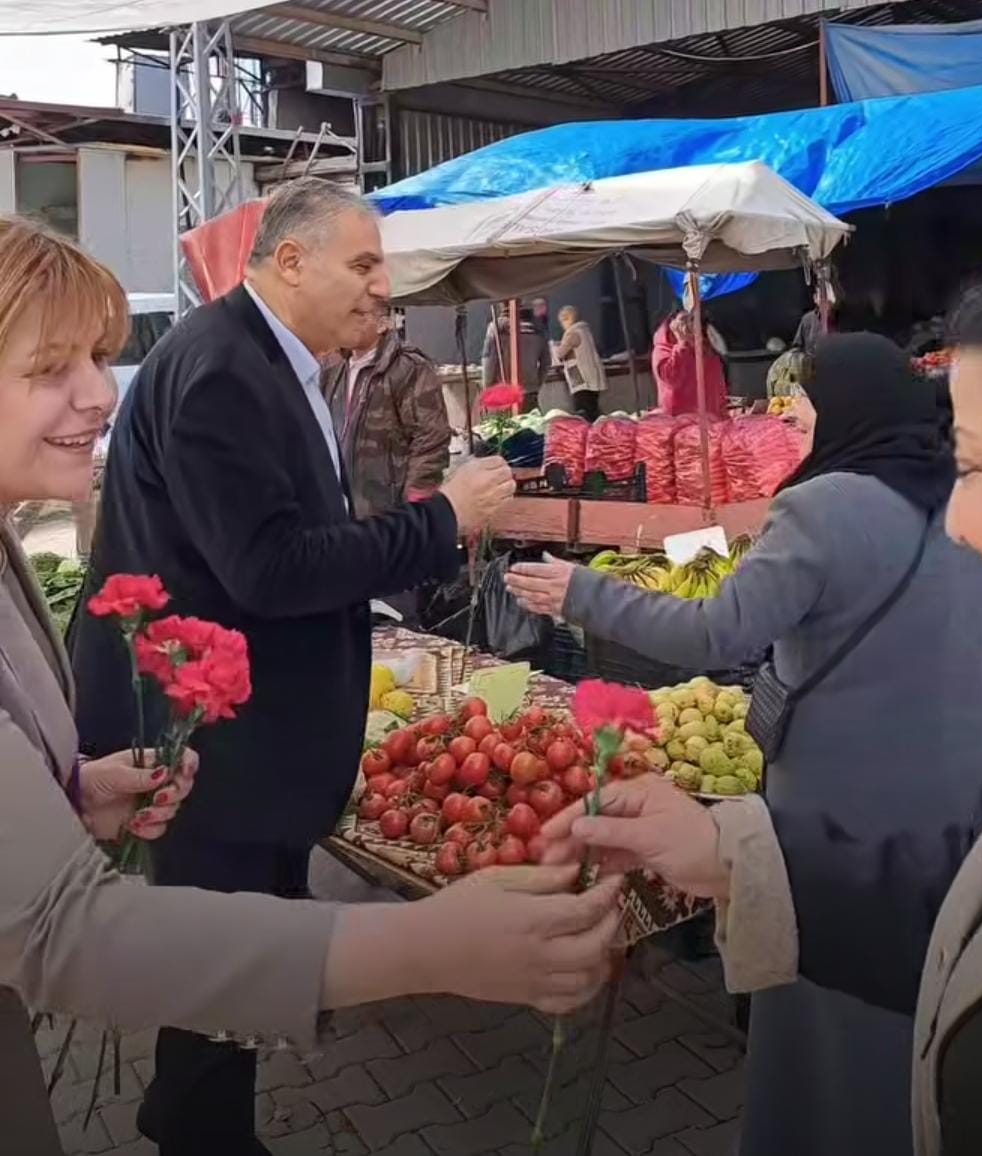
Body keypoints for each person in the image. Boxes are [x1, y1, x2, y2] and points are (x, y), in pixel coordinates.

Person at [0, 214, 622, 1155]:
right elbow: (271, 567)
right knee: (211, 958)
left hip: (235, 742)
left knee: (228, 948)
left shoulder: (263, 362)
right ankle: (199, 1126)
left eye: (97, 357)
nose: (97, 394)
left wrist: (69, 794)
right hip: (220, 736)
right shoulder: (221, 366)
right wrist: (420, 949)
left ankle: (199, 1114)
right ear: (289, 260)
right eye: (51, 368)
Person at [538, 246, 982, 1156]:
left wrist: (580, 593)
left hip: (839, 799)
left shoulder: (822, 508)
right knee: (923, 1016)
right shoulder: (949, 505)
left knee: (828, 1036)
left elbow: (719, 635)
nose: (964, 516)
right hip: (968, 799)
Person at [322, 316, 452, 626]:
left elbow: (430, 437)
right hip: (342, 521)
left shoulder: (408, 367)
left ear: (382, 322)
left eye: (359, 314)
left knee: (393, 621)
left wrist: (415, 507)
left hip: (389, 516)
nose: (348, 321)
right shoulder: (334, 368)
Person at [651, 310, 728, 418]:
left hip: (711, 420)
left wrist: (723, 414)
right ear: (672, 324)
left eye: (692, 319)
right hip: (680, 421)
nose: (689, 325)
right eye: (683, 320)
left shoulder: (706, 347)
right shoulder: (663, 349)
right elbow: (672, 378)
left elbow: (718, 386)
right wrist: (682, 343)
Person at [482, 302, 549, 412]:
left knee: (507, 427)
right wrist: (536, 384)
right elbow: (546, 362)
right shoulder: (538, 328)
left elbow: (489, 360)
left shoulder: (496, 327)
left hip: (504, 390)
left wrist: (487, 387)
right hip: (530, 391)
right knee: (531, 425)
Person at [554, 305, 606, 421]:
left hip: (582, 379)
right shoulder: (585, 330)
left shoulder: (572, 333)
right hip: (592, 377)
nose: (562, 325)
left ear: (567, 319)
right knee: (593, 408)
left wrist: (555, 346)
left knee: (584, 412)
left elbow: (560, 353)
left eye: (562, 321)